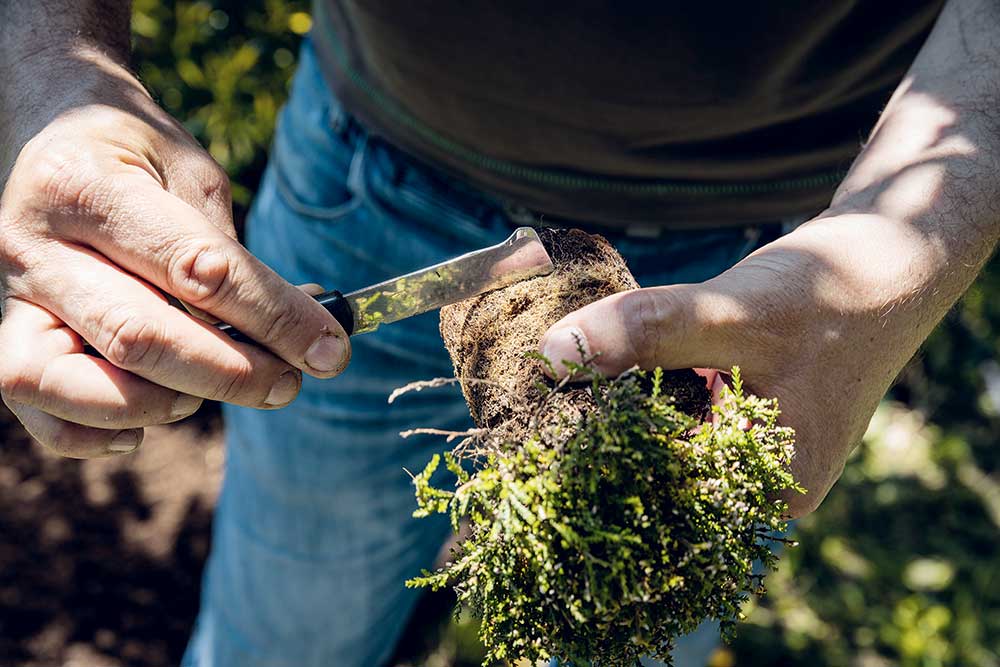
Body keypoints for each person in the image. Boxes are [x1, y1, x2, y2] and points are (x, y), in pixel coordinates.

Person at [1, 1, 997, 665]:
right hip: (370, 180)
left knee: (624, 613)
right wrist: (61, 81)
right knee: (284, 626)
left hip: (760, 276)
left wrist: (904, 243)